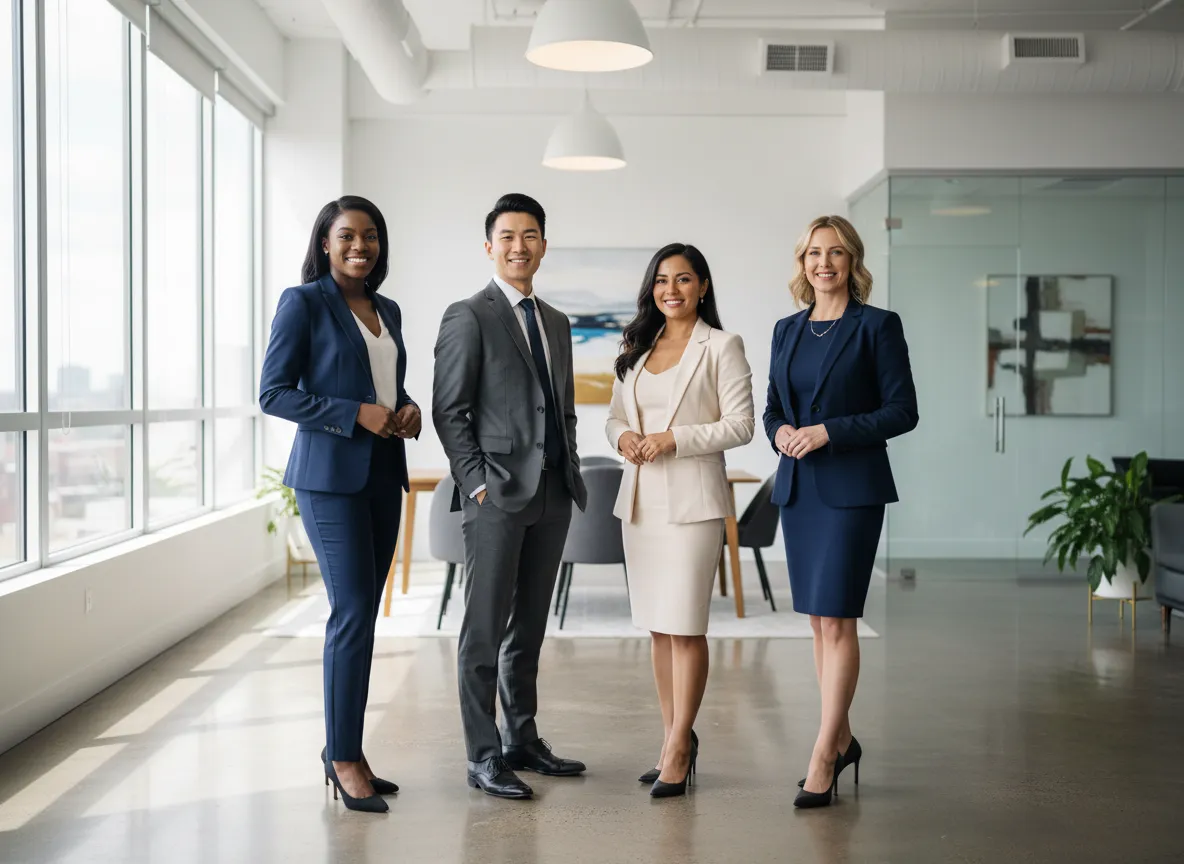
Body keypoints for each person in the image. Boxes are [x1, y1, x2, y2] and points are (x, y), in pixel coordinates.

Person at [259, 196, 420, 814]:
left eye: (371, 236)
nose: (361, 245)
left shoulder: (388, 309)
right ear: (325, 243)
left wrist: (405, 409)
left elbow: (385, 385)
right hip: (328, 480)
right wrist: (355, 414)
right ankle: (344, 757)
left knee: (363, 614)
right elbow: (274, 392)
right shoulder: (303, 303)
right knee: (350, 613)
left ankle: (345, 748)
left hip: (383, 472)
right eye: (347, 236)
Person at [432, 193, 588, 801]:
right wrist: (476, 482)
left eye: (530, 236)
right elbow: (450, 411)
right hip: (494, 494)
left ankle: (522, 738)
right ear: (490, 246)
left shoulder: (556, 321)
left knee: (528, 627)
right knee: (483, 630)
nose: (519, 246)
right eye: (507, 236)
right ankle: (482, 753)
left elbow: (563, 408)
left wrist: (568, 467)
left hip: (552, 493)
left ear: (544, 246)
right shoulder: (468, 315)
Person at [763, 215, 918, 808]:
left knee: (840, 619)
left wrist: (828, 431)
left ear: (853, 261)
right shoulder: (786, 330)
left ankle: (823, 753)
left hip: (852, 490)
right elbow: (775, 405)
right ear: (802, 263)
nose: (823, 263)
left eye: (835, 253)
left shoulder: (877, 326)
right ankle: (844, 736)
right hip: (800, 490)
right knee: (816, 622)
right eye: (812, 253)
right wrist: (780, 433)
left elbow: (902, 411)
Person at [606, 243, 754, 798]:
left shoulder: (722, 345)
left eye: (684, 279)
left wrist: (674, 440)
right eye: (663, 280)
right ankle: (673, 738)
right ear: (652, 289)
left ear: (703, 286)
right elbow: (617, 416)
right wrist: (622, 436)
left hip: (693, 503)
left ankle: (678, 747)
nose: (672, 290)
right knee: (659, 628)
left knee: (687, 626)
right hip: (641, 504)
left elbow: (741, 425)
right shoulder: (638, 348)